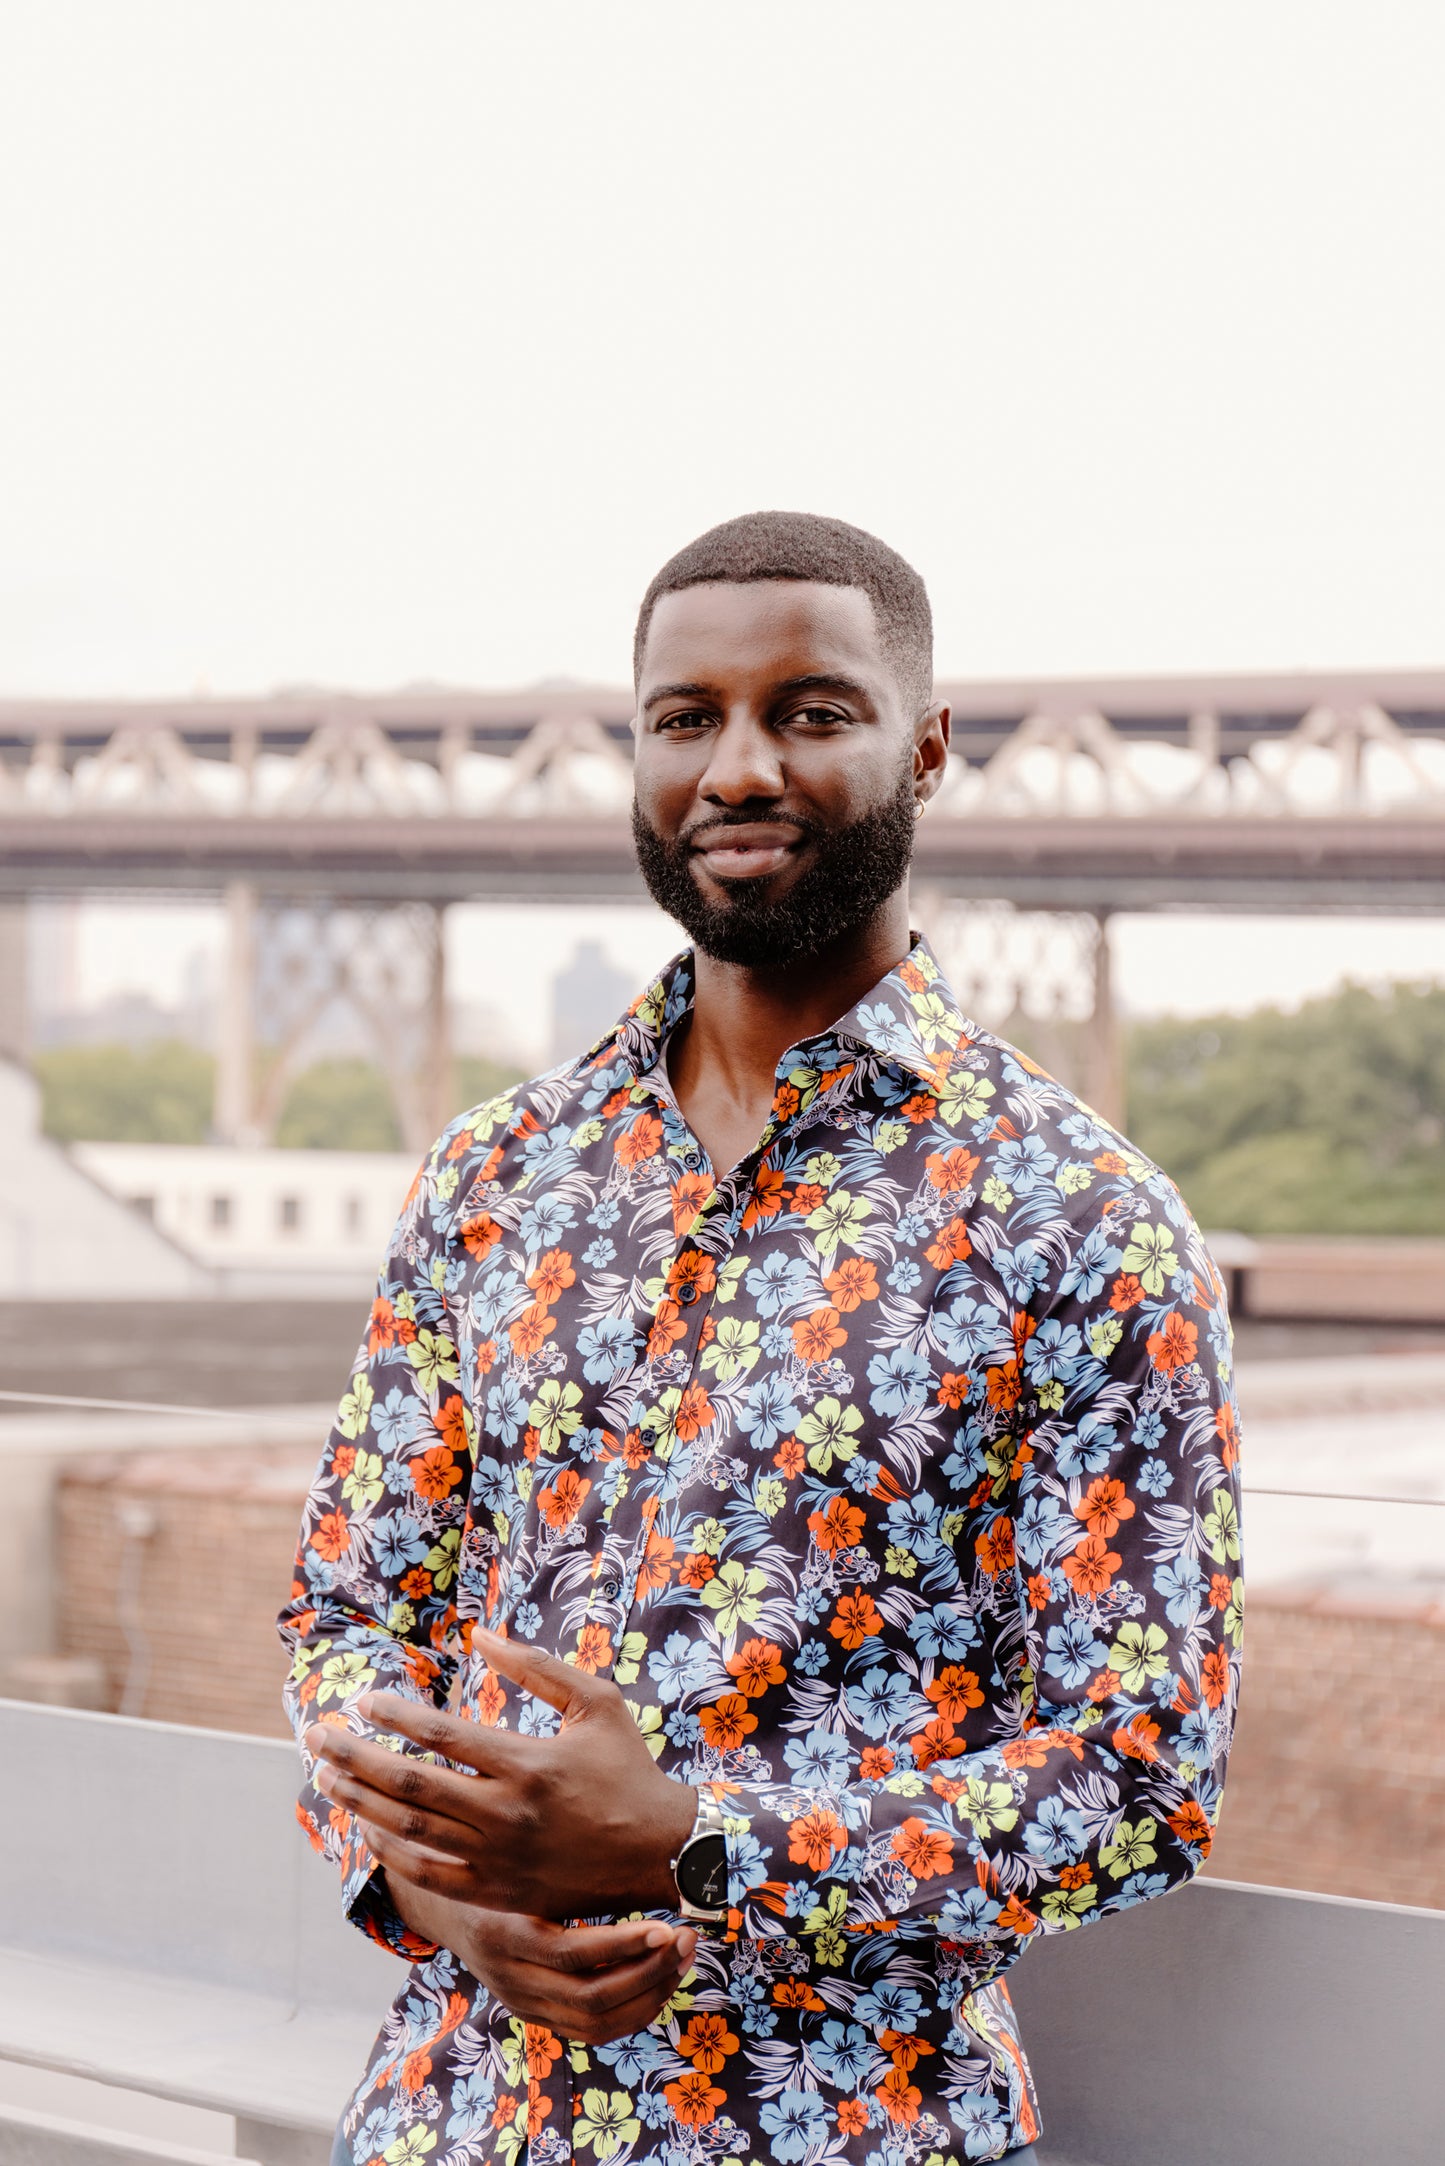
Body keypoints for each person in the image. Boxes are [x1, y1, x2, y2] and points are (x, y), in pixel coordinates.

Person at [281, 511, 1243, 2166]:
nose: (736, 766)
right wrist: (443, 1895)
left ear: (923, 747)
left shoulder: (1079, 1217)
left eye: (809, 711)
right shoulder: (493, 1177)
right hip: (450, 2117)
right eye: (684, 718)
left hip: (850, 2133)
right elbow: (349, 1613)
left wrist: (690, 1845)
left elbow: (1143, 1776)